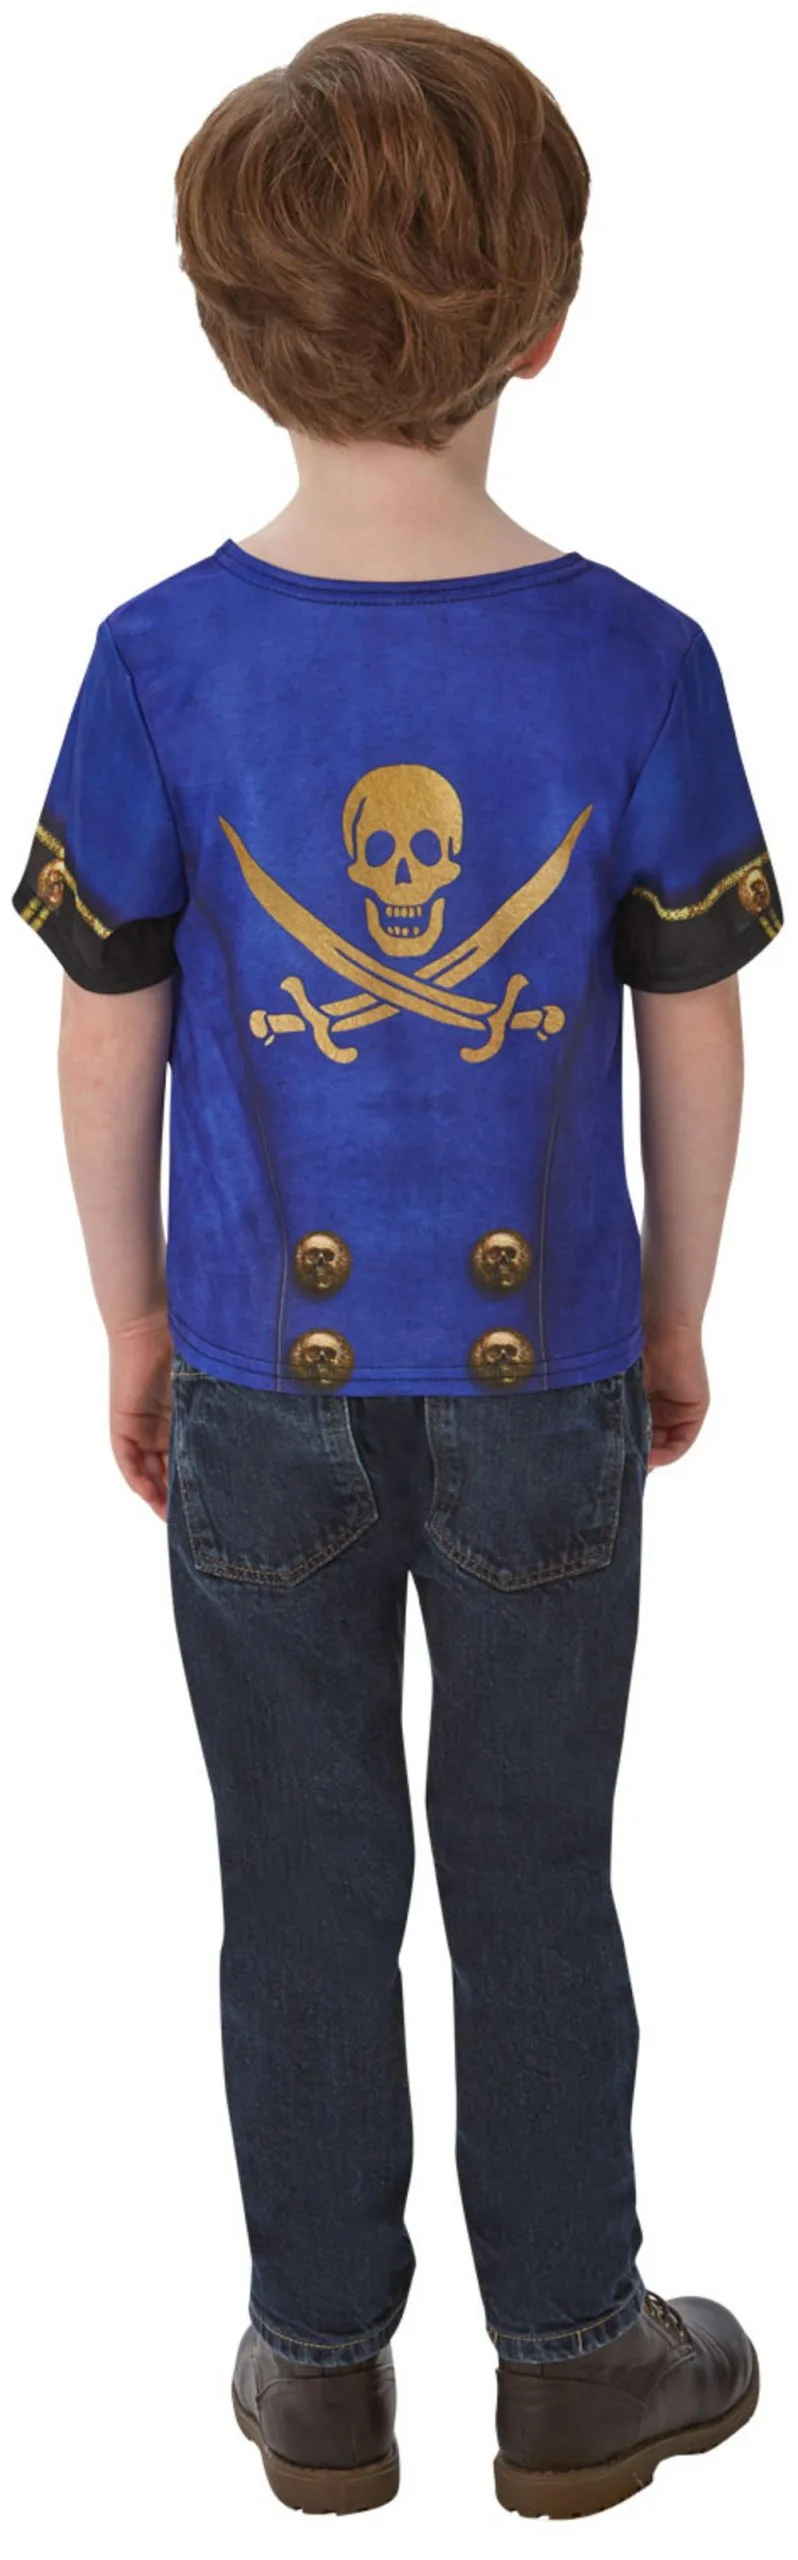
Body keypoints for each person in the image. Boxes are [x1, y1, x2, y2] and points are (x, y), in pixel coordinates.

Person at [12, 13, 782, 2524]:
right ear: (545, 319)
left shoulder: (158, 659)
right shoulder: (638, 658)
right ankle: (572, 2360)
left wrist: (131, 1314)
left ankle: (319, 2369)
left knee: (303, 1881)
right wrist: (675, 1308)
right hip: (550, 1374)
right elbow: (696, 1031)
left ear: (230, 330)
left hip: (265, 1377)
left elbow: (104, 1036)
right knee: (537, 1867)